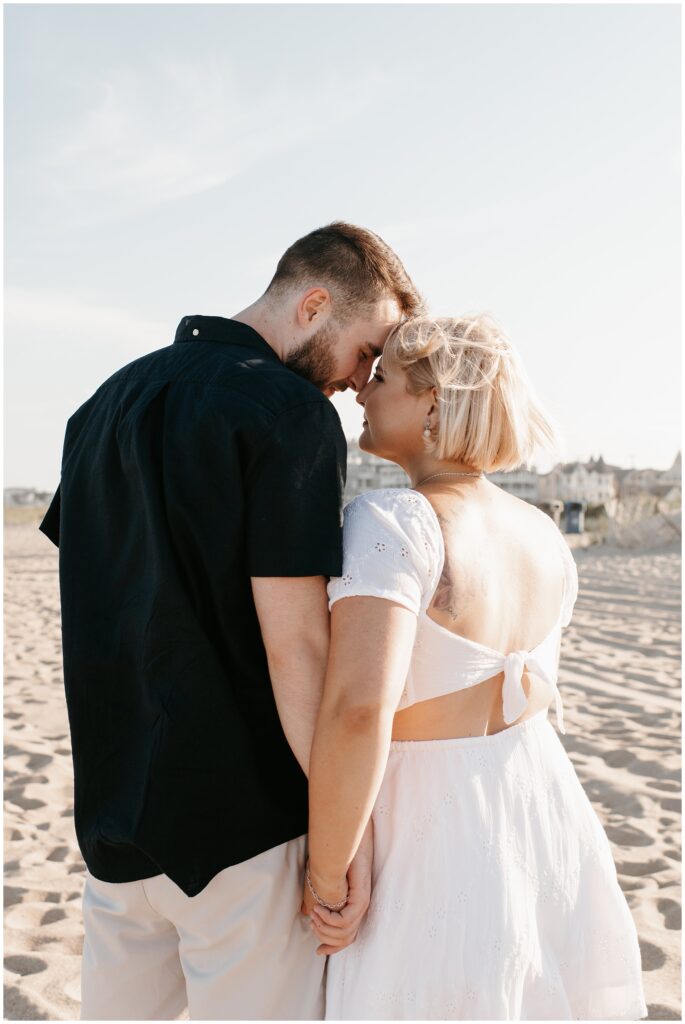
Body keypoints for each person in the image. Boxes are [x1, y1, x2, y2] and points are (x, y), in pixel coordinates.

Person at [38, 222, 423, 1020]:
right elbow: (298, 648)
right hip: (242, 836)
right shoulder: (286, 413)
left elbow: (103, 597)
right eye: (366, 350)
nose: (361, 381)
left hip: (113, 827)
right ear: (315, 303)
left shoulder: (99, 408)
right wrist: (339, 833)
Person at [302, 315, 648, 1020]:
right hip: (536, 801)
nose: (362, 393)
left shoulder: (396, 518)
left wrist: (327, 870)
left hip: (425, 823)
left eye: (383, 379)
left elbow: (358, 710)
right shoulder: (542, 532)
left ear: (432, 404)